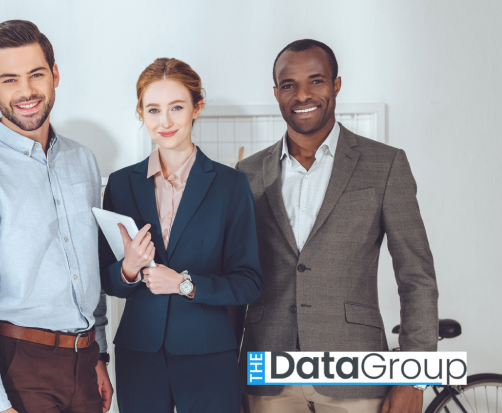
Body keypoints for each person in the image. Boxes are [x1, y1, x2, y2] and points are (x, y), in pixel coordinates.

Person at [237, 39, 439, 413]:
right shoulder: (247, 175)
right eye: (289, 84)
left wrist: (415, 376)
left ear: (336, 85)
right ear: (276, 93)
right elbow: (234, 277)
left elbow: (417, 276)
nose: (302, 95)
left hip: (355, 373)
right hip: (267, 371)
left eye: (316, 80)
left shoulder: (385, 165)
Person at [0, 20, 113, 413]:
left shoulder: (82, 160)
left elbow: (91, 268)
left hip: (85, 361)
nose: (25, 91)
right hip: (21, 367)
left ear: (54, 75)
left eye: (36, 74)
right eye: (9, 79)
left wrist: (99, 355)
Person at [98, 58, 263, 412]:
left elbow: (248, 282)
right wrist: (128, 269)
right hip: (138, 353)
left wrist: (184, 284)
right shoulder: (121, 184)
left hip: (209, 354)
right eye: (153, 110)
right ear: (141, 113)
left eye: (176, 107)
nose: (165, 121)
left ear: (196, 108)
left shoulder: (230, 185)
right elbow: (106, 281)